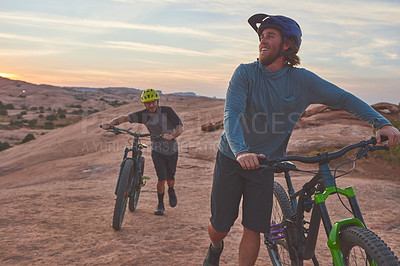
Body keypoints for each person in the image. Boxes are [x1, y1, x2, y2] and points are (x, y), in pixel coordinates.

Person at [203, 13, 400, 266]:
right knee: (220, 227)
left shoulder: (302, 80)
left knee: (253, 227)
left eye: (269, 36)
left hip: (264, 163)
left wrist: (381, 122)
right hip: (232, 157)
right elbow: (232, 113)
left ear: (287, 45)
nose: (262, 41)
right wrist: (241, 151)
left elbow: (343, 99)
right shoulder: (245, 73)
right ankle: (215, 246)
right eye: (261, 36)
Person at [101, 88, 183, 216]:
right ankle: (160, 205)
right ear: (144, 104)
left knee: (170, 179)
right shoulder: (144, 114)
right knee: (161, 179)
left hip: (171, 150)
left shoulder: (167, 111)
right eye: (148, 103)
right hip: (157, 150)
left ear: (157, 101)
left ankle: (171, 189)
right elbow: (126, 118)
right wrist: (110, 124)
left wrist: (172, 135)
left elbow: (179, 127)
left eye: (153, 102)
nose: (151, 105)